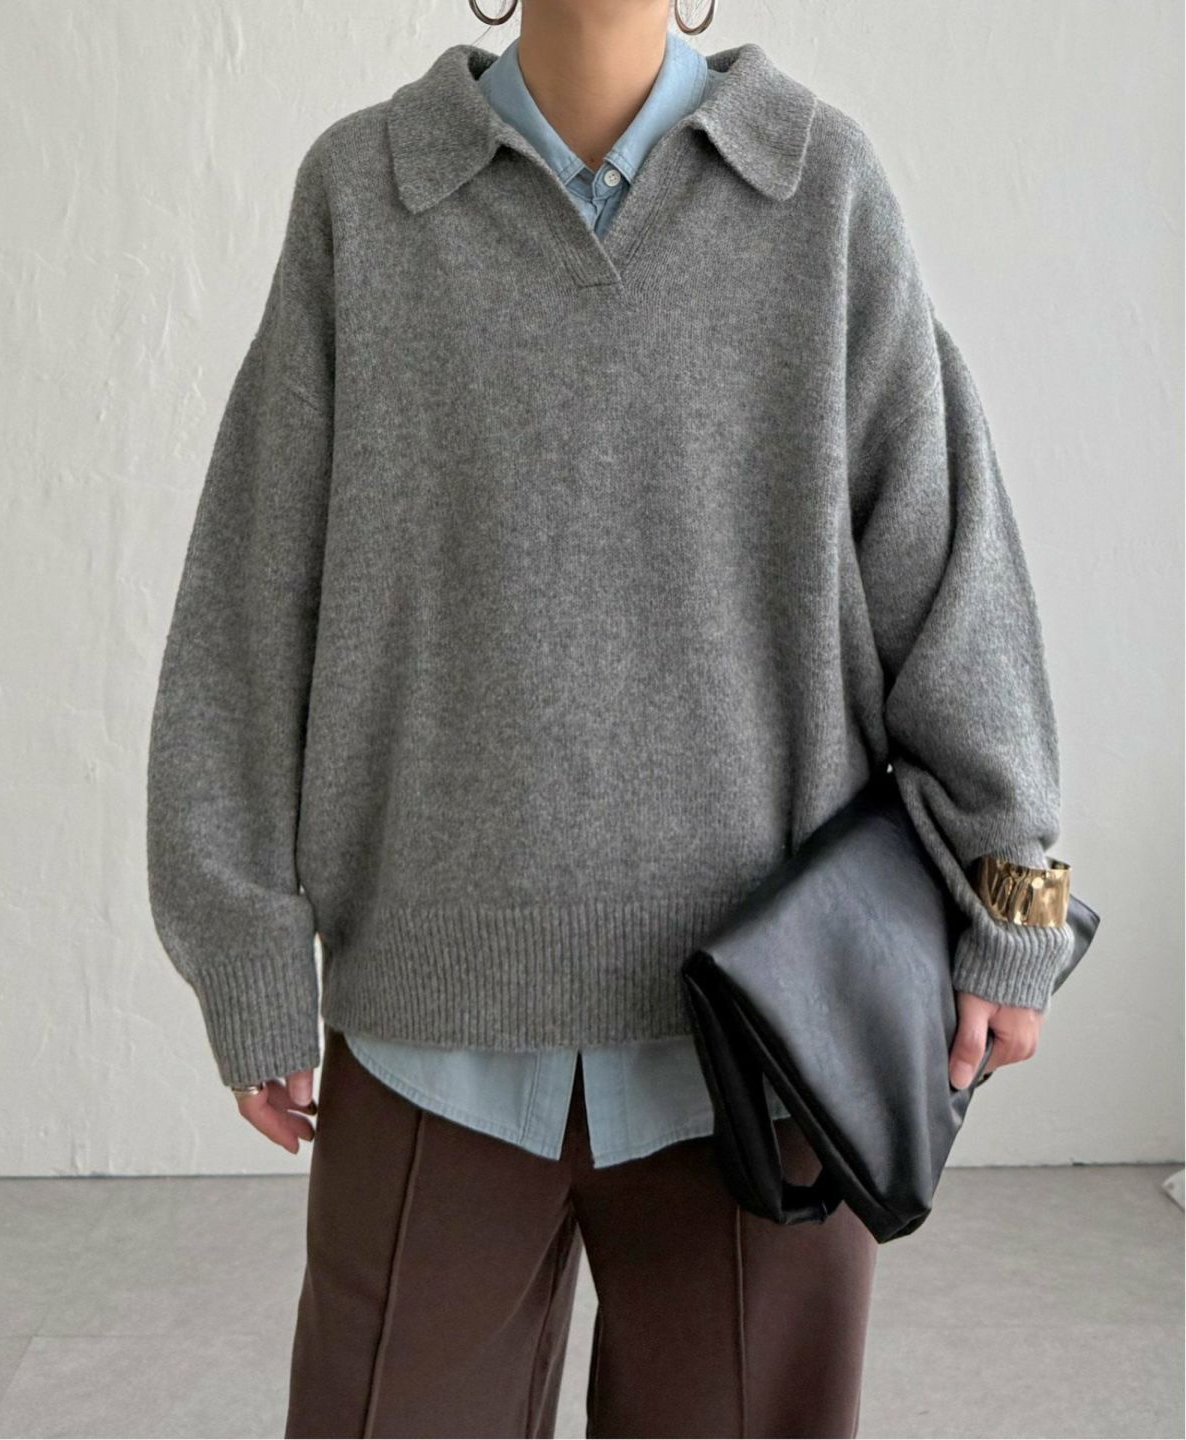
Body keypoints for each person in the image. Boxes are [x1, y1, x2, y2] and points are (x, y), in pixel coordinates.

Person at [145, 2, 1078, 1435]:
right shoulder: (369, 197)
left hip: (767, 1058)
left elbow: (949, 571)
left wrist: (1013, 896)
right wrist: (245, 948)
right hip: (430, 1033)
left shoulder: (818, 191)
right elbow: (251, 602)